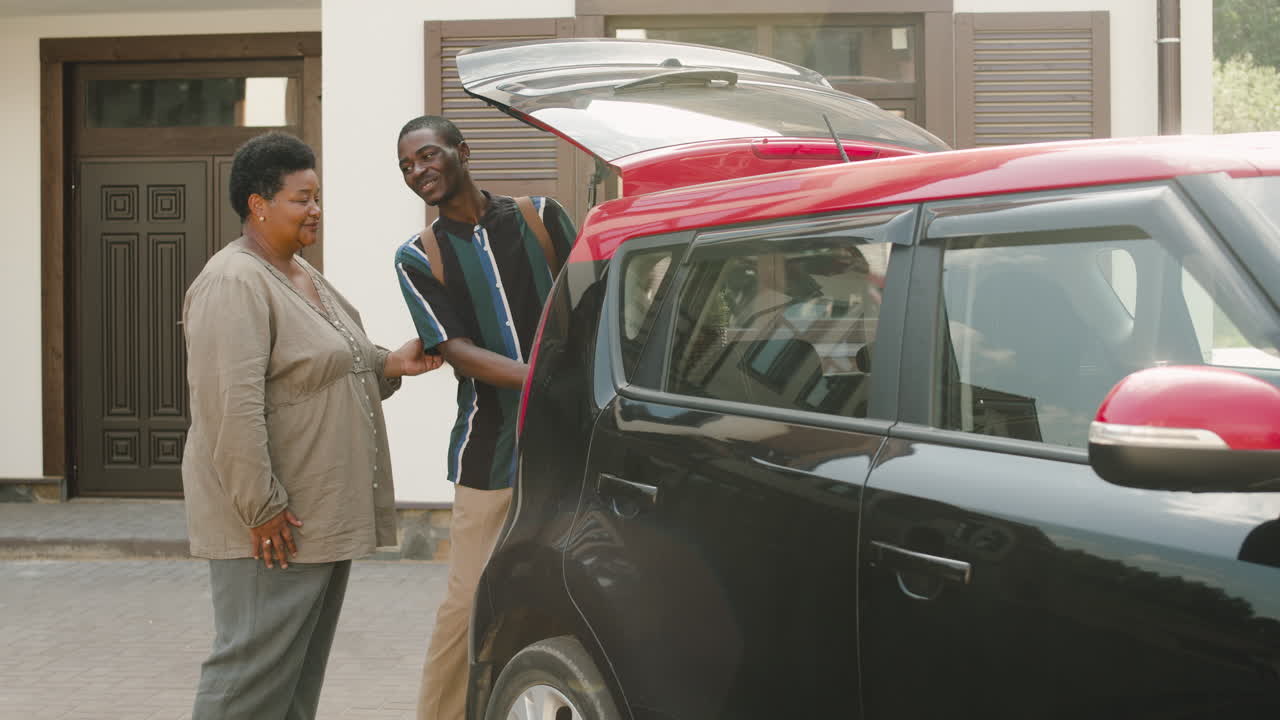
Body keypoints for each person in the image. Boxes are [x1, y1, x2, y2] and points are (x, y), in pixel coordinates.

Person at [183, 131, 443, 719]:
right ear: (259, 203)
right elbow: (230, 406)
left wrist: (391, 363)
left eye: (317, 196)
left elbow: (328, 363)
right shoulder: (234, 282)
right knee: (247, 680)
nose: (316, 209)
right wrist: (261, 506)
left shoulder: (299, 272)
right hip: (273, 526)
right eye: (302, 198)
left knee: (293, 681)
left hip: (314, 518)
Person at [392, 115, 577, 720]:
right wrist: (538, 380)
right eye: (406, 167)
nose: (418, 171)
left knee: (573, 586)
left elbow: (589, 300)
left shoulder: (541, 217)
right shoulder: (418, 256)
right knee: (467, 600)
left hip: (571, 440)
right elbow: (453, 349)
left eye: (426, 156)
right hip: (488, 449)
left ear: (461, 152)